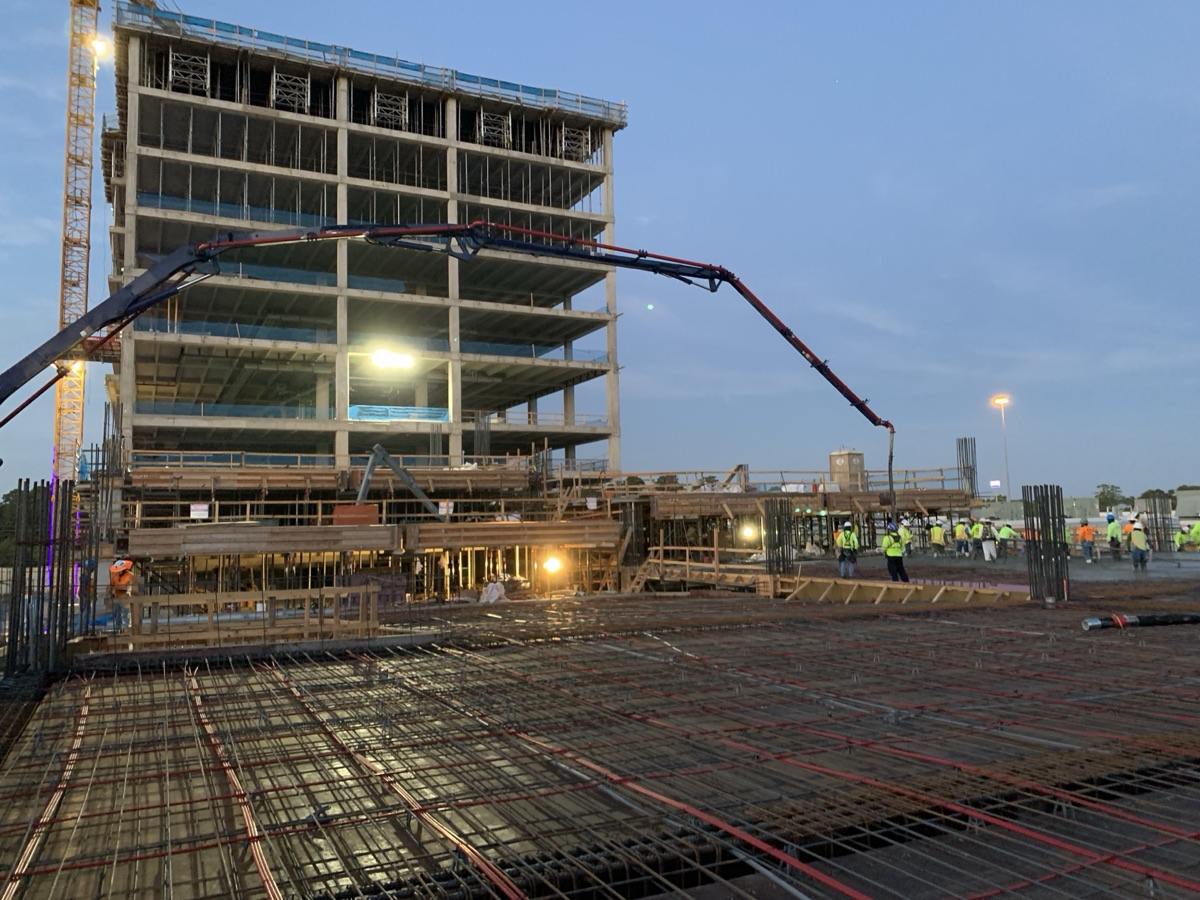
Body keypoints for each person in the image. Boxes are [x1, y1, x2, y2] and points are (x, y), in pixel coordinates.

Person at [107, 559, 135, 630]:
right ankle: (118, 628)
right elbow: (111, 585)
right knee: (117, 613)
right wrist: (110, 592)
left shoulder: (130, 575)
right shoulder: (115, 575)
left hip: (125, 597)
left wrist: (127, 590)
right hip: (116, 596)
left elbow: (132, 586)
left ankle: (126, 629)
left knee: (126, 613)